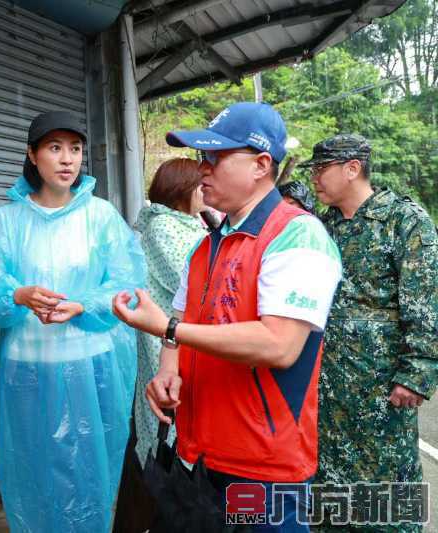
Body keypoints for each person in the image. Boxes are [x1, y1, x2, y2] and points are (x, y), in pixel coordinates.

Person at [113, 102, 342, 531]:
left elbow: (279, 345)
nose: (203, 169)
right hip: (200, 458)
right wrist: (168, 369)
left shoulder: (296, 234)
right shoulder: (204, 248)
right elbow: (178, 330)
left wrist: (167, 327)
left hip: (261, 467)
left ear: (260, 165)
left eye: (215, 158)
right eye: (202, 158)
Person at [0, 110, 145, 533]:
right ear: (32, 155)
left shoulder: (101, 217)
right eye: (54, 148)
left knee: (90, 473)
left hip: (93, 369)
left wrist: (83, 305)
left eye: (75, 149)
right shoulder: (5, 223)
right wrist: (18, 295)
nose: (67, 159)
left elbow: (127, 283)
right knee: (35, 470)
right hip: (30, 372)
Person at [305, 134, 437, 532]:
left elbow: (426, 304)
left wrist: (415, 374)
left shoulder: (403, 220)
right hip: (327, 382)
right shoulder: (321, 226)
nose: (314, 178)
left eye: (321, 169)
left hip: (382, 385)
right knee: (329, 484)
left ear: (352, 168)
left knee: (387, 487)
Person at [113, 158, 206, 533]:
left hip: (182, 335)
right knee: (162, 427)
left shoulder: (195, 223)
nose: (206, 191)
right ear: (183, 188)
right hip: (164, 338)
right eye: (201, 184)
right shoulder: (163, 226)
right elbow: (190, 277)